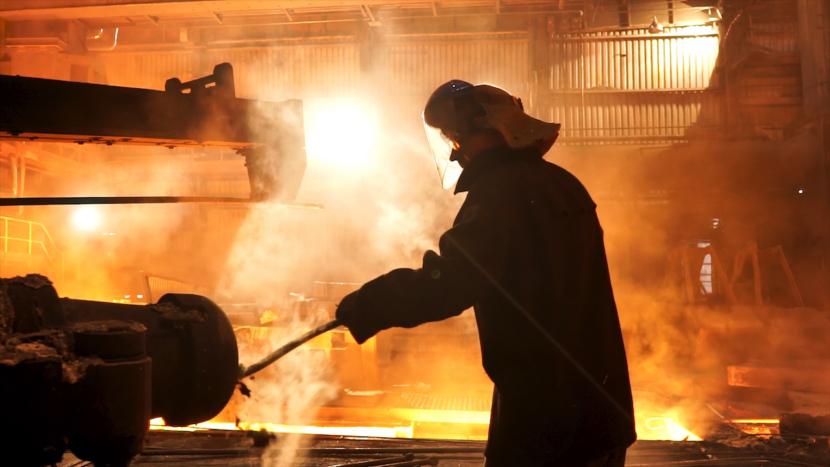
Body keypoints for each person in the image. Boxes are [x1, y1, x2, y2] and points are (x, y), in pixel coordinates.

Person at [336, 80, 636, 467]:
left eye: (455, 137)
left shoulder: (498, 192)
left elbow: (452, 282)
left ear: (487, 128)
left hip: (544, 425)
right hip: (602, 417)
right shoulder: (563, 184)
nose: (454, 150)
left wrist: (370, 302)